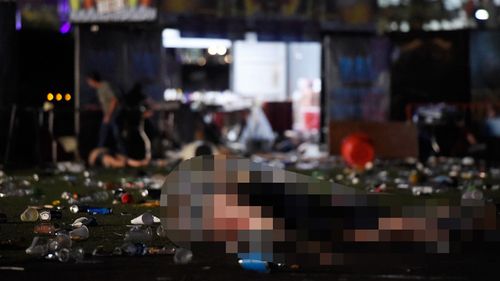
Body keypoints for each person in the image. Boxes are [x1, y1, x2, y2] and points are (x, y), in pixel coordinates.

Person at [86, 72, 125, 153]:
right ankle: (99, 153)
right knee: (103, 134)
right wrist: (94, 108)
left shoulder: (104, 86)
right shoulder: (99, 90)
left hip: (113, 114)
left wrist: (108, 115)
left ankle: (123, 154)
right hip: (108, 115)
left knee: (116, 134)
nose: (89, 84)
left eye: (89, 81)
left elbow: (114, 100)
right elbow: (106, 103)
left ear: (93, 80)